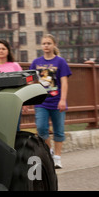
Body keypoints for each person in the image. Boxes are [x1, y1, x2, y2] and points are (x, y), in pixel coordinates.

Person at [30, 34, 72, 169]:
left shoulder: (60, 62)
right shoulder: (36, 62)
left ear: (54, 45)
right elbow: (32, 82)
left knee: (59, 130)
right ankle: (50, 152)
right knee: (42, 128)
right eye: (44, 44)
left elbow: (64, 83)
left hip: (56, 101)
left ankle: (58, 158)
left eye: (49, 43)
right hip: (41, 102)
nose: (46, 46)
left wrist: (63, 100)